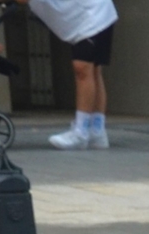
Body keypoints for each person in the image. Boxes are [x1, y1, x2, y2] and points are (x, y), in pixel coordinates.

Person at [27, 0, 117, 148]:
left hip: (90, 16)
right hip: (94, 14)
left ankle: (81, 132)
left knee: (83, 68)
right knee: (93, 70)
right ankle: (96, 130)